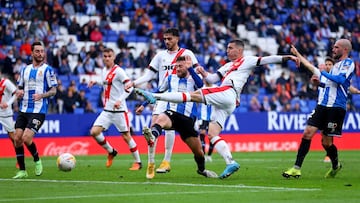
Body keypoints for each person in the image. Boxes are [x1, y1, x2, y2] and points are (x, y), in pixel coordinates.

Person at [135, 39, 299, 179]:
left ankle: (154, 97)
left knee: (194, 95)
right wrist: (203, 72)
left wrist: (289, 57)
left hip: (229, 92)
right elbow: (212, 79)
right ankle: (230, 162)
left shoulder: (247, 60)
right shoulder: (227, 65)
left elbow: (267, 60)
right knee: (212, 133)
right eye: (227, 48)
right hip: (228, 101)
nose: (227, 50)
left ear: (239, 50)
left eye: (230, 48)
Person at [126, 28, 200, 178]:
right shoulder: (160, 56)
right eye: (165, 39)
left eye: (170, 39)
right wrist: (134, 83)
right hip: (161, 96)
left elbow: (196, 75)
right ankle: (151, 163)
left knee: (170, 127)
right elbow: (149, 76)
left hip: (178, 98)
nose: (166, 41)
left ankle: (166, 161)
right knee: (153, 130)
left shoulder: (187, 54)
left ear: (177, 38)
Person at [282, 39, 355, 179]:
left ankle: (335, 165)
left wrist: (323, 73)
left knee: (326, 143)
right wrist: (320, 84)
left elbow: (340, 81)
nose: (333, 49)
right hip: (322, 106)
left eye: (336, 47)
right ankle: (296, 168)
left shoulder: (348, 64)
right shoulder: (335, 66)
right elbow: (331, 86)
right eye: (333, 47)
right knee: (307, 133)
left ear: (345, 49)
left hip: (336, 108)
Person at [142, 55, 217, 178]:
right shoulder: (170, 78)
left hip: (187, 120)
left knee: (199, 152)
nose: (177, 69)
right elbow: (157, 92)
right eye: (176, 66)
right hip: (172, 114)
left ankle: (202, 170)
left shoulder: (193, 79)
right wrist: (144, 104)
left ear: (187, 67)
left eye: (180, 66)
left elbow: (201, 87)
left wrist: (191, 69)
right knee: (161, 118)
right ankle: (152, 137)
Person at [88, 48, 142, 170]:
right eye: (105, 56)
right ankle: (111, 151)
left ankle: (138, 162)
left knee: (126, 137)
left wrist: (120, 99)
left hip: (119, 111)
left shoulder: (119, 71)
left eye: (109, 56)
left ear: (113, 57)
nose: (107, 58)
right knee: (94, 132)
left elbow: (129, 87)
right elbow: (105, 82)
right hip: (107, 110)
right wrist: (95, 82)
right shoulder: (103, 70)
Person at [12, 41, 58, 179]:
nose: (40, 54)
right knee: (17, 138)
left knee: (26, 137)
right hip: (24, 109)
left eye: (42, 51)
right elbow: (20, 87)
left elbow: (54, 90)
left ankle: (37, 160)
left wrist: (42, 95)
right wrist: (19, 92)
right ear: (31, 53)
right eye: (37, 51)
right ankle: (22, 170)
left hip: (39, 110)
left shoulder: (48, 70)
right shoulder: (25, 69)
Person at [311, 57, 360, 163]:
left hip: (334, 107)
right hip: (322, 107)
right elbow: (324, 87)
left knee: (328, 136)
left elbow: (345, 86)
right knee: (323, 137)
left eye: (330, 64)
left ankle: (330, 156)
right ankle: (331, 156)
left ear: (333, 67)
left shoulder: (334, 76)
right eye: (326, 64)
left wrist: (356, 91)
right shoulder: (323, 78)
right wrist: (318, 83)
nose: (328, 66)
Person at [0, 73, 18, 167]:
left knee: (12, 137)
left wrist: (8, 103)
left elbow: (16, 93)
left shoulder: (6, 82)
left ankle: (20, 159)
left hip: (5, 114)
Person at [197, 81, 215, 162]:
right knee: (202, 134)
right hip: (203, 116)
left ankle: (209, 155)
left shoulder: (215, 87)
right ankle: (203, 154)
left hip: (213, 116)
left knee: (212, 136)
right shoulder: (202, 88)